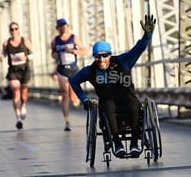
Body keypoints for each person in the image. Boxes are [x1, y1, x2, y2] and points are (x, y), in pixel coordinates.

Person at [70, 14, 156, 158]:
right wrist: (84, 99)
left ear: (110, 55)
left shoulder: (123, 61)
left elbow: (138, 48)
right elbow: (73, 81)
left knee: (134, 105)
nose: (101, 59)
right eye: (97, 56)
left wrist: (147, 34)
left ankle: (135, 143)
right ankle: (117, 144)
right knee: (108, 105)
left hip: (127, 100)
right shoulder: (90, 71)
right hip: (108, 105)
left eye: (104, 55)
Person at [51, 18, 87, 131]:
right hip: (62, 70)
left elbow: (84, 51)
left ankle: (75, 100)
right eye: (60, 26)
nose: (63, 27)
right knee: (64, 94)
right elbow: (52, 53)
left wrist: (72, 51)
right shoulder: (55, 40)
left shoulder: (74, 38)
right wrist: (55, 55)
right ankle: (67, 121)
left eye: (64, 25)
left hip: (73, 69)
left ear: (67, 26)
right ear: (57, 28)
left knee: (73, 95)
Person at [0, 21, 33, 130]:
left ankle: (23, 105)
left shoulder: (25, 41)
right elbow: (4, 52)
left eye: (16, 29)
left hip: (24, 70)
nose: (14, 31)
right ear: (9, 31)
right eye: (12, 29)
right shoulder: (6, 43)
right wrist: (2, 57)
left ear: (19, 30)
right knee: (15, 91)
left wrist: (27, 57)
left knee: (24, 91)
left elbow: (33, 54)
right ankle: (18, 118)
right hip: (13, 71)